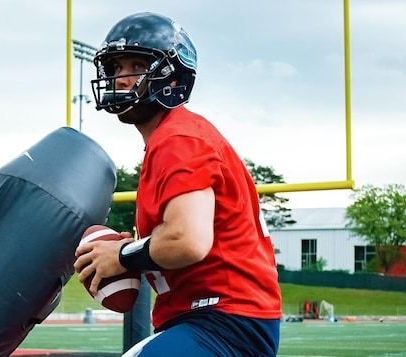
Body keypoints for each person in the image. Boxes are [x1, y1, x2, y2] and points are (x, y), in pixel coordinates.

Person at [74, 12, 281, 357]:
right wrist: (141, 250)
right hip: (217, 318)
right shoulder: (172, 139)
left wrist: (124, 255)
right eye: (115, 68)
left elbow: (188, 241)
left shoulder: (178, 138)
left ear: (172, 76)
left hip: (223, 319)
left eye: (136, 65)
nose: (121, 78)